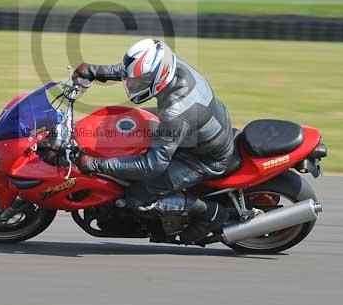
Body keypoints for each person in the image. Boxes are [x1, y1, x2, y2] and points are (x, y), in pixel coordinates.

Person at [72, 38, 236, 243]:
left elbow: (152, 165)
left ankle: (210, 213)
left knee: (136, 197)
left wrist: (96, 163)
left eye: (138, 82)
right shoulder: (170, 66)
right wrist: (93, 70)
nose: (131, 84)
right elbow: (131, 70)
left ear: (157, 79)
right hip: (199, 131)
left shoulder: (176, 111)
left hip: (203, 158)